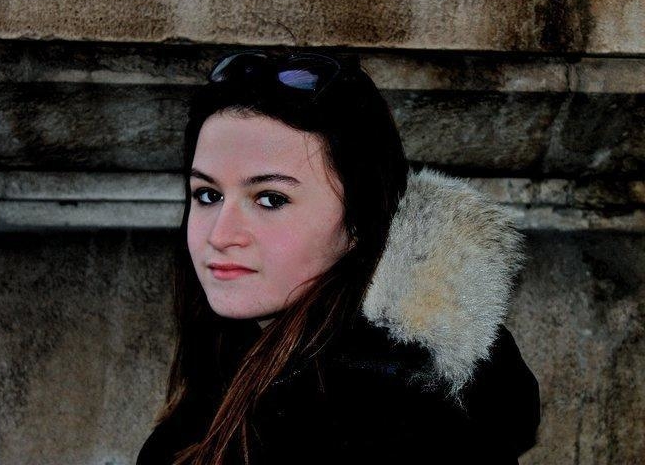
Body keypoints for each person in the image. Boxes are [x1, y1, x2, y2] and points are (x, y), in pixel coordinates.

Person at [137, 50, 540, 464]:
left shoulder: (391, 421)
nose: (220, 236)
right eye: (208, 195)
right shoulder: (244, 370)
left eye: (271, 199)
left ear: (359, 222)